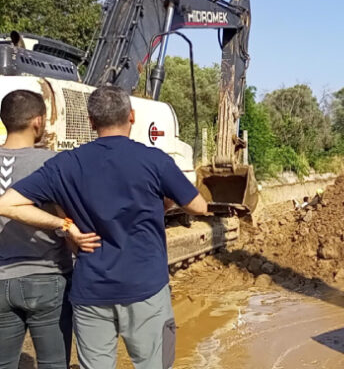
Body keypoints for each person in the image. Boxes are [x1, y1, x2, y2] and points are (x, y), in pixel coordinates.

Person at [0, 86, 209, 369]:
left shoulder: (64, 164)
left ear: (91, 121)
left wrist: (65, 225)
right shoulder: (155, 160)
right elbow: (199, 207)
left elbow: (6, 205)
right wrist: (166, 205)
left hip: (91, 294)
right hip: (147, 289)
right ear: (131, 116)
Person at [0, 91, 75, 369]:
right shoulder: (52, 163)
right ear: (38, 121)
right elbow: (68, 216)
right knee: (54, 363)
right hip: (48, 277)